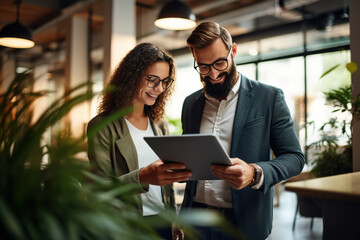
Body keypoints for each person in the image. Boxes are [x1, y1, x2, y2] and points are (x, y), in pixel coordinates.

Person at [180, 22, 305, 240]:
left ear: (233, 51)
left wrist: (255, 172)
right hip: (194, 222)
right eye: (203, 67)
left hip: (243, 224)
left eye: (220, 62)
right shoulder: (190, 104)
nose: (214, 74)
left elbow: (294, 158)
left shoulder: (269, 98)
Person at [87, 43, 192, 240]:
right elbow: (99, 189)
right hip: (124, 225)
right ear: (132, 77)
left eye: (165, 81)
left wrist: (173, 218)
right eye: (152, 80)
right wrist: (142, 177)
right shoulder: (102, 125)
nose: (159, 88)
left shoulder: (160, 124)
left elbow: (166, 182)